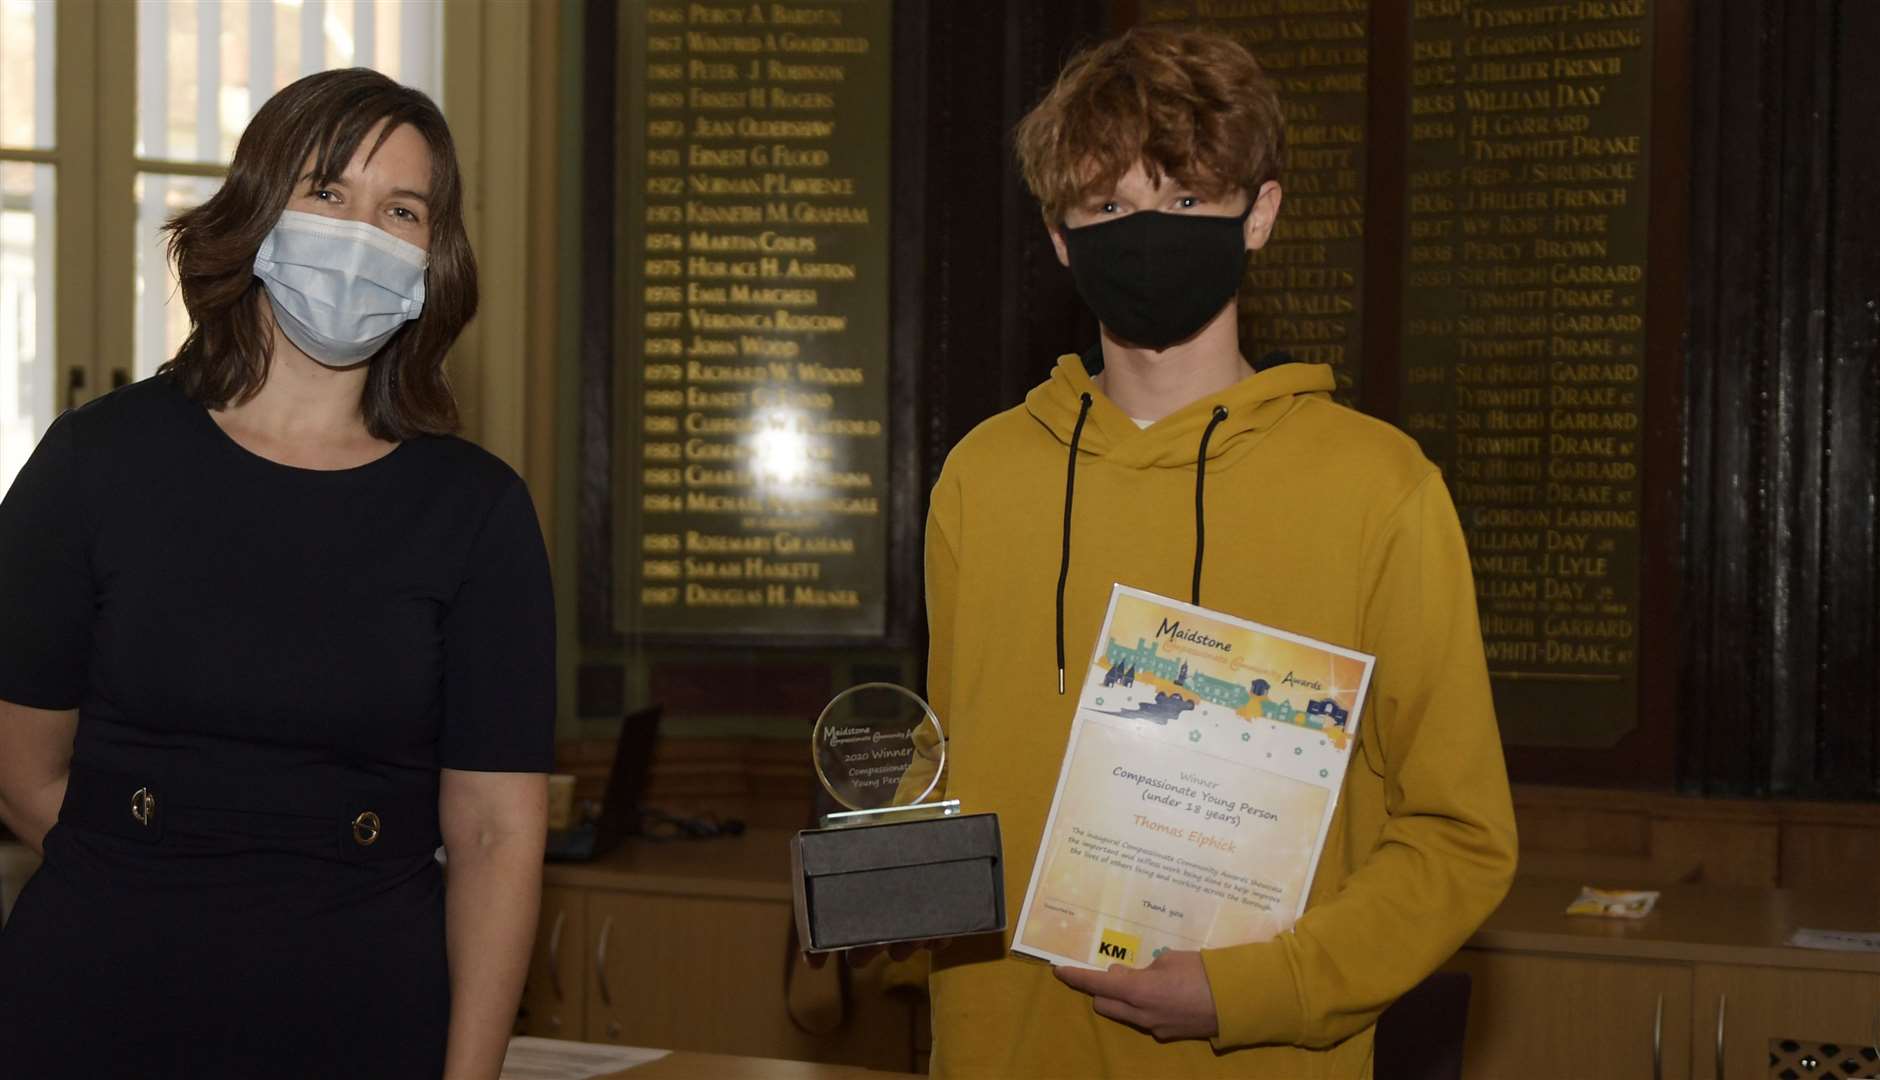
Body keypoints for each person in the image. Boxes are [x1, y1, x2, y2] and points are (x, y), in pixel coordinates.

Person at [915, 27, 1517, 1077]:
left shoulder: (1379, 490)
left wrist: (1249, 988)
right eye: (1106, 207)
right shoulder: (982, 478)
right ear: (1059, 236)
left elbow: (1457, 836)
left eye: (1185, 202)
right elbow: (948, 788)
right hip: (1003, 1052)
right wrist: (858, 915)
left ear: (1260, 214)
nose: (1145, 233)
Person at [0, 68, 553, 1079]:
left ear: (434, 258)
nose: (359, 232)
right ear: (255, 212)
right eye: (327, 192)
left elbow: (493, 836)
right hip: (95, 995)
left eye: (399, 209)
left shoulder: (477, 512)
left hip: (363, 1001)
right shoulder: (95, 461)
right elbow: (24, 769)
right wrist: (174, 883)